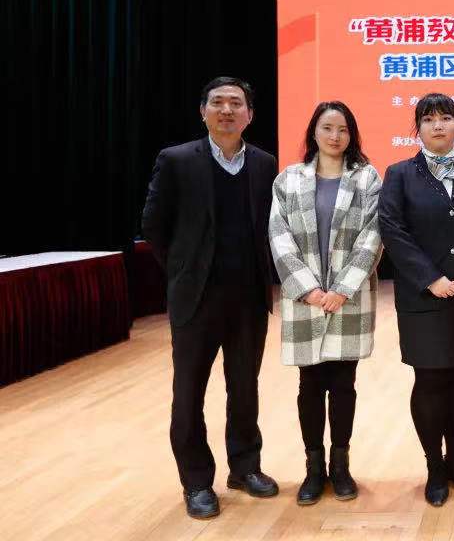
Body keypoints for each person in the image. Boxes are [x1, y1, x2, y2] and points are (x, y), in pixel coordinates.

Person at [141, 76, 279, 519]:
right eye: (217, 102)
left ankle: (245, 467)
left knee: (245, 388)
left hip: (249, 299)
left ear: (249, 115)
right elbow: (154, 225)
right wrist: (184, 270)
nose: (227, 110)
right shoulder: (177, 160)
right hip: (196, 299)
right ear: (203, 112)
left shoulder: (264, 163)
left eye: (236, 103)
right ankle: (197, 481)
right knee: (189, 393)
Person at [378, 93, 454, 507]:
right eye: (428, 119)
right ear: (418, 128)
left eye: (446, 118)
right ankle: (434, 467)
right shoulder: (399, 174)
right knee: (428, 379)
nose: (438, 125)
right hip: (422, 297)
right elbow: (392, 230)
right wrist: (431, 279)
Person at [269, 101, 382, 505]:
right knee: (310, 385)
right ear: (313, 132)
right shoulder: (288, 179)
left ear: (352, 135)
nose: (335, 136)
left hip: (348, 297)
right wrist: (309, 289)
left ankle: (341, 466)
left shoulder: (366, 178)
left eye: (343, 129)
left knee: (344, 384)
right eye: (327, 128)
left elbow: (373, 236)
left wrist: (342, 289)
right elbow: (278, 236)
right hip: (306, 298)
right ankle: (313, 469)